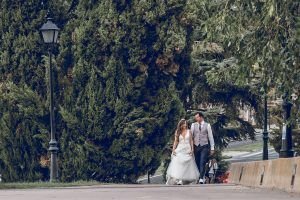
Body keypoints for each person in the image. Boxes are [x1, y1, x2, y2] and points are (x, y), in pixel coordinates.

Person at [166, 119, 200, 185]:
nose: (185, 125)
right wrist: (173, 149)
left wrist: (192, 149)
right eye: (183, 124)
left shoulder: (189, 131)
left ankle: (183, 179)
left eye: (185, 123)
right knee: (179, 163)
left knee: (186, 164)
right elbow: (176, 141)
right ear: (180, 125)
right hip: (180, 148)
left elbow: (191, 141)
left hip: (187, 149)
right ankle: (179, 179)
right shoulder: (177, 132)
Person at [191, 112, 215, 184]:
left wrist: (212, 148)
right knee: (197, 162)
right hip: (196, 146)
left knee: (202, 162)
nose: (196, 118)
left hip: (204, 146)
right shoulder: (193, 125)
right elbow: (191, 137)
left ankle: (201, 178)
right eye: (195, 117)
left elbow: (210, 137)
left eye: (197, 117)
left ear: (201, 117)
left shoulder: (207, 125)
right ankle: (199, 176)